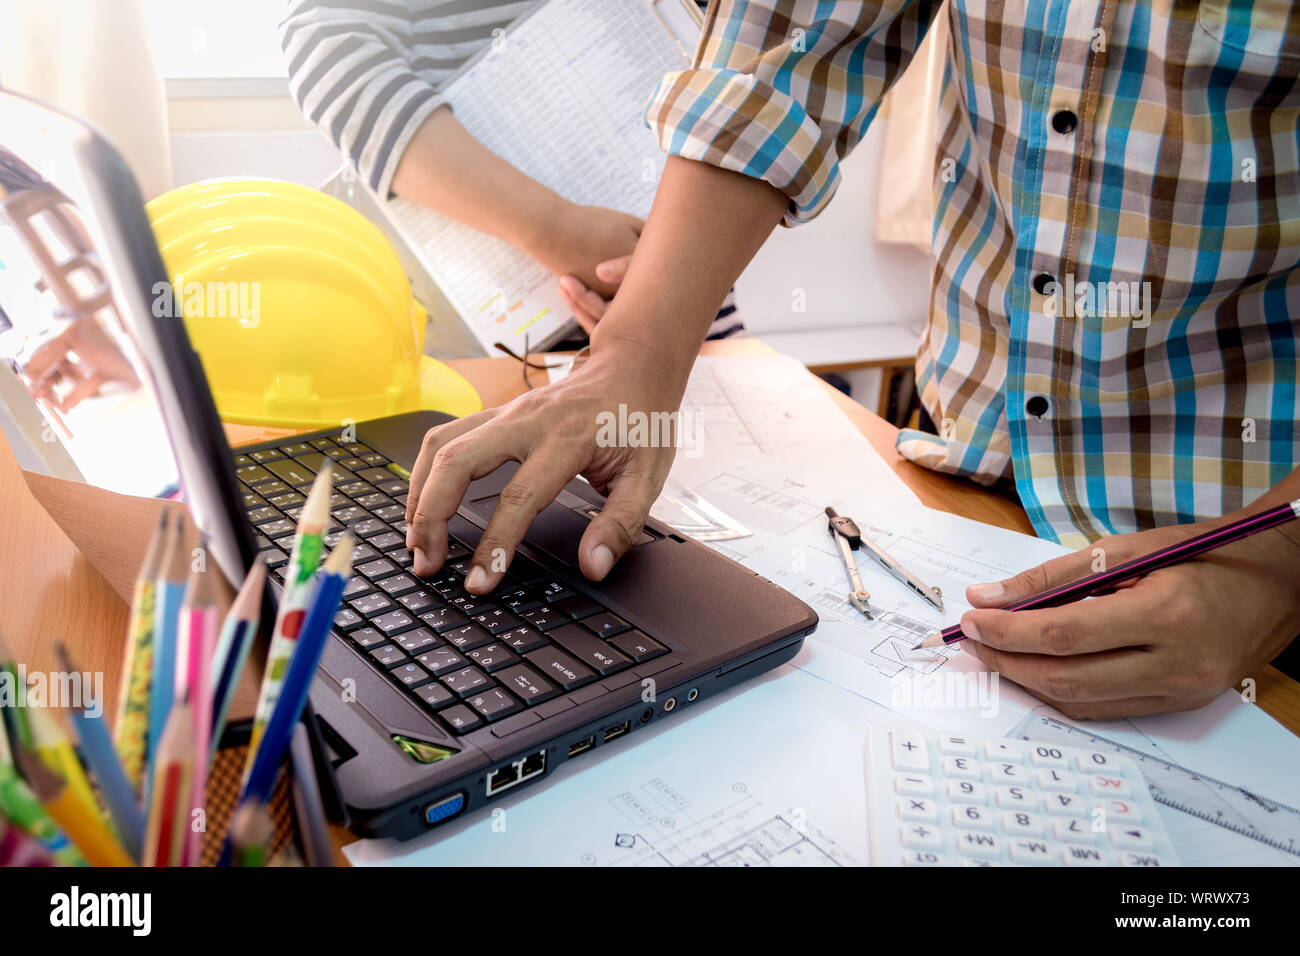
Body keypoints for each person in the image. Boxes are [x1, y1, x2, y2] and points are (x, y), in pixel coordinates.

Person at [397, 0, 1300, 719]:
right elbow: (786, 46)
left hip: (1243, 550)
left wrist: (1279, 569)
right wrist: (629, 354)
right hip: (966, 485)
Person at [279, 0, 742, 340]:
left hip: (692, 312)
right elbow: (327, 49)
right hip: (489, 348)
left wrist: (680, 281)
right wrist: (556, 228)